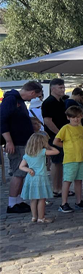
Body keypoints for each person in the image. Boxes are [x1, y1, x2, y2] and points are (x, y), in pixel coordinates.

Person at [1, 81, 44, 213]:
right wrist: (8, 141)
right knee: (19, 173)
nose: (33, 99)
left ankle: (18, 200)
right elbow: (2, 120)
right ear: (32, 93)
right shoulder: (11, 100)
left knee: (23, 173)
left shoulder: (18, 101)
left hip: (23, 142)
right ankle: (12, 203)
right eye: (35, 96)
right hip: (17, 142)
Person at [53, 106, 83, 213]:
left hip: (80, 158)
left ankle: (79, 201)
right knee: (67, 180)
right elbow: (56, 141)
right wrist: (66, 147)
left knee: (79, 180)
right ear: (68, 117)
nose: (76, 119)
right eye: (73, 117)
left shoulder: (81, 128)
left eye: (78, 117)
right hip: (70, 159)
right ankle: (63, 203)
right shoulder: (65, 128)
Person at [19, 132, 59, 223]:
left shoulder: (27, 155)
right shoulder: (42, 152)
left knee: (33, 199)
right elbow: (56, 151)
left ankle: (34, 217)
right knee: (42, 198)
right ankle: (41, 217)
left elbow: (21, 166)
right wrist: (48, 146)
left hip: (31, 178)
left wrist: (29, 170)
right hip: (41, 178)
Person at [42, 78, 71, 197]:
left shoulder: (60, 101)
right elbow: (48, 121)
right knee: (56, 162)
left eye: (63, 87)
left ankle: (59, 187)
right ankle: (56, 188)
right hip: (54, 136)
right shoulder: (49, 102)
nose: (63, 89)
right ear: (53, 88)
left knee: (60, 162)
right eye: (60, 87)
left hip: (60, 135)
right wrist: (59, 134)